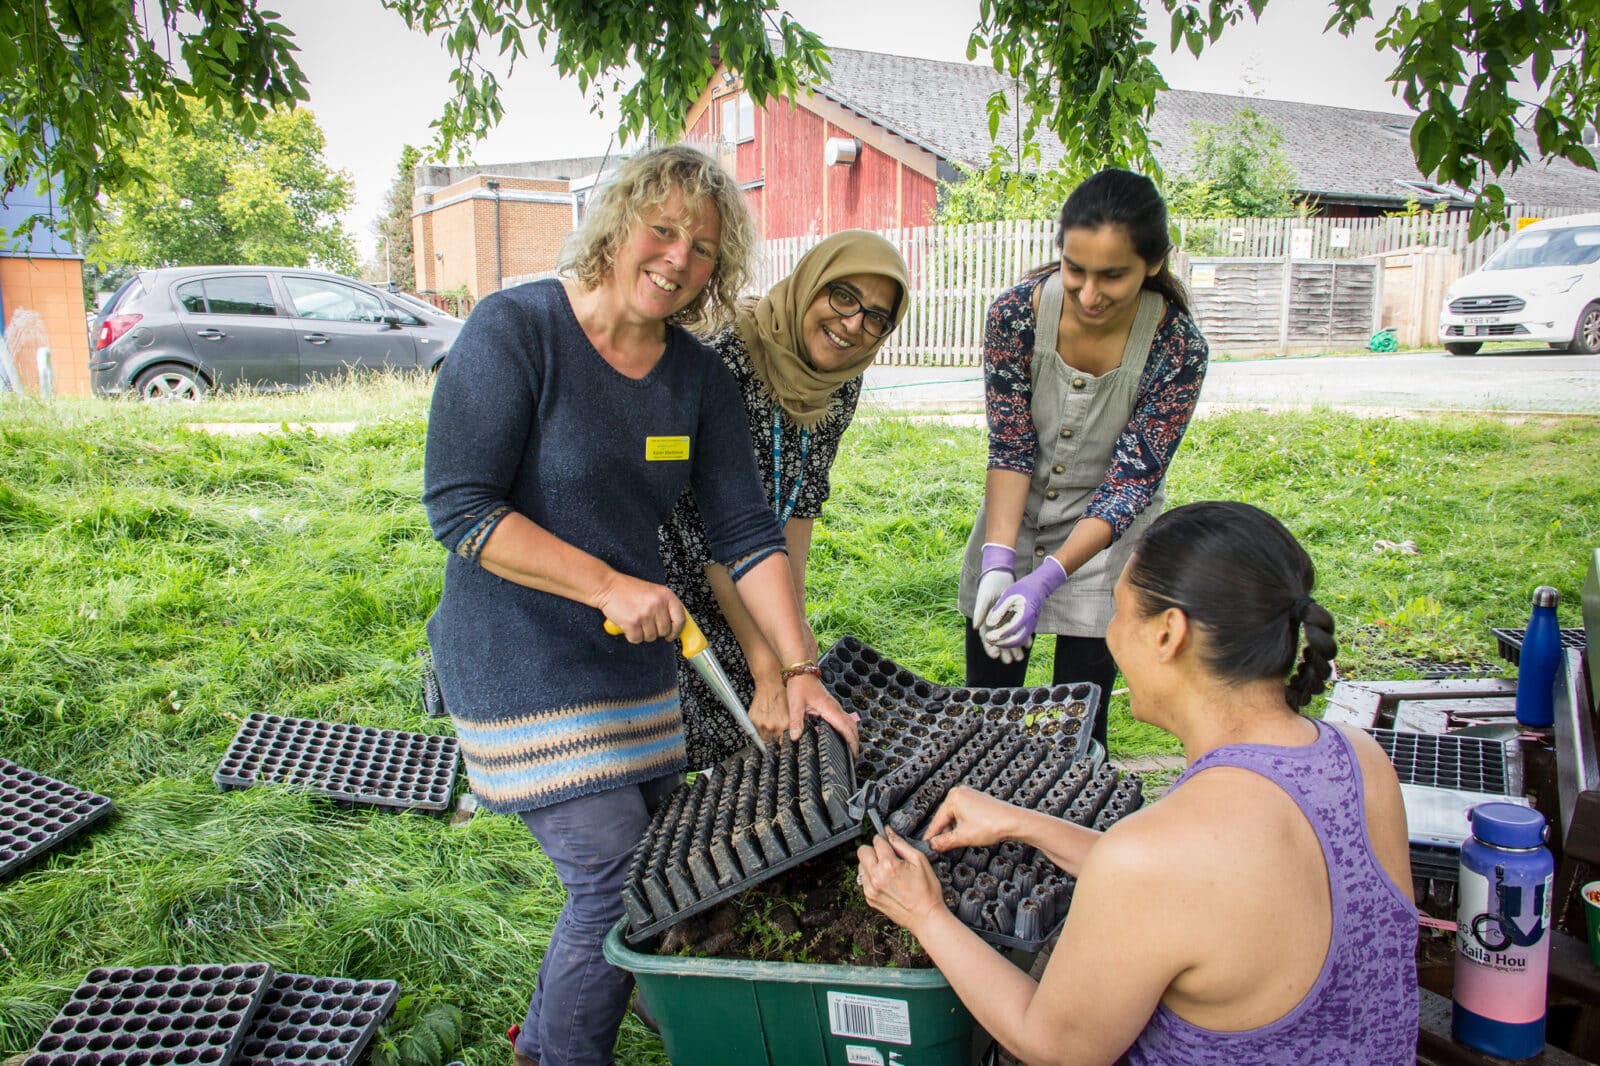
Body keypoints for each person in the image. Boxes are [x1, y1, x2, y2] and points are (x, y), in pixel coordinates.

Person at [422, 144, 857, 1066]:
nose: (677, 258)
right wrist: (610, 585)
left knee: (668, 872)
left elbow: (747, 531)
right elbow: (461, 509)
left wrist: (800, 666)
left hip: (632, 664)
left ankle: (558, 1037)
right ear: (617, 225)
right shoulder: (516, 330)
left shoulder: (694, 378)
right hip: (517, 657)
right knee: (617, 881)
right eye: (662, 230)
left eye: (702, 248)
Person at [860, 501, 1418, 1066]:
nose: (1110, 632)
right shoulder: (1362, 759)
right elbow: (1202, 895)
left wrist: (922, 912)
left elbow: (1054, 1045)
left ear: (1168, 634)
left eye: (1119, 611)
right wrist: (1025, 823)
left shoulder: (1157, 857)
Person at [958, 168, 1209, 750]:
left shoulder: (1178, 348)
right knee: (989, 711)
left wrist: (1049, 577)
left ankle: (1068, 829)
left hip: (1109, 536)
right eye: (1075, 270)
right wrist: (1001, 562)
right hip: (1013, 516)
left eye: (1112, 276)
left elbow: (1130, 482)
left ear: (1152, 263)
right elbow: (1012, 446)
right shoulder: (1015, 316)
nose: (1090, 295)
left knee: (1078, 719)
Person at [659, 230, 909, 767]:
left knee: (768, 714)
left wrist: (795, 633)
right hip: (679, 569)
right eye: (842, 296)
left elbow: (802, 502)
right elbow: (714, 536)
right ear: (809, 282)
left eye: (876, 318)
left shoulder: (840, 379)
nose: (852, 325)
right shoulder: (724, 356)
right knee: (706, 722)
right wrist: (772, 667)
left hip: (755, 568)